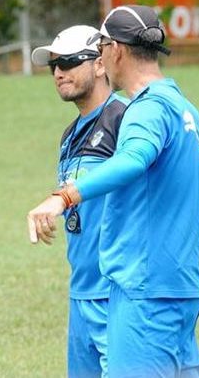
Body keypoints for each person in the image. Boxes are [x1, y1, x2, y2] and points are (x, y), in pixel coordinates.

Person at [27, 5, 199, 378]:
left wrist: (63, 197)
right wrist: (172, 210)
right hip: (178, 286)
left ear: (114, 51)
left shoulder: (144, 110)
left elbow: (134, 158)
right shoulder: (183, 107)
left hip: (143, 289)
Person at [30, 25, 128, 378]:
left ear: (101, 64)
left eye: (70, 62)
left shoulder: (125, 117)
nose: (59, 72)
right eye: (54, 65)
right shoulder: (70, 133)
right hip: (81, 291)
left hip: (118, 293)